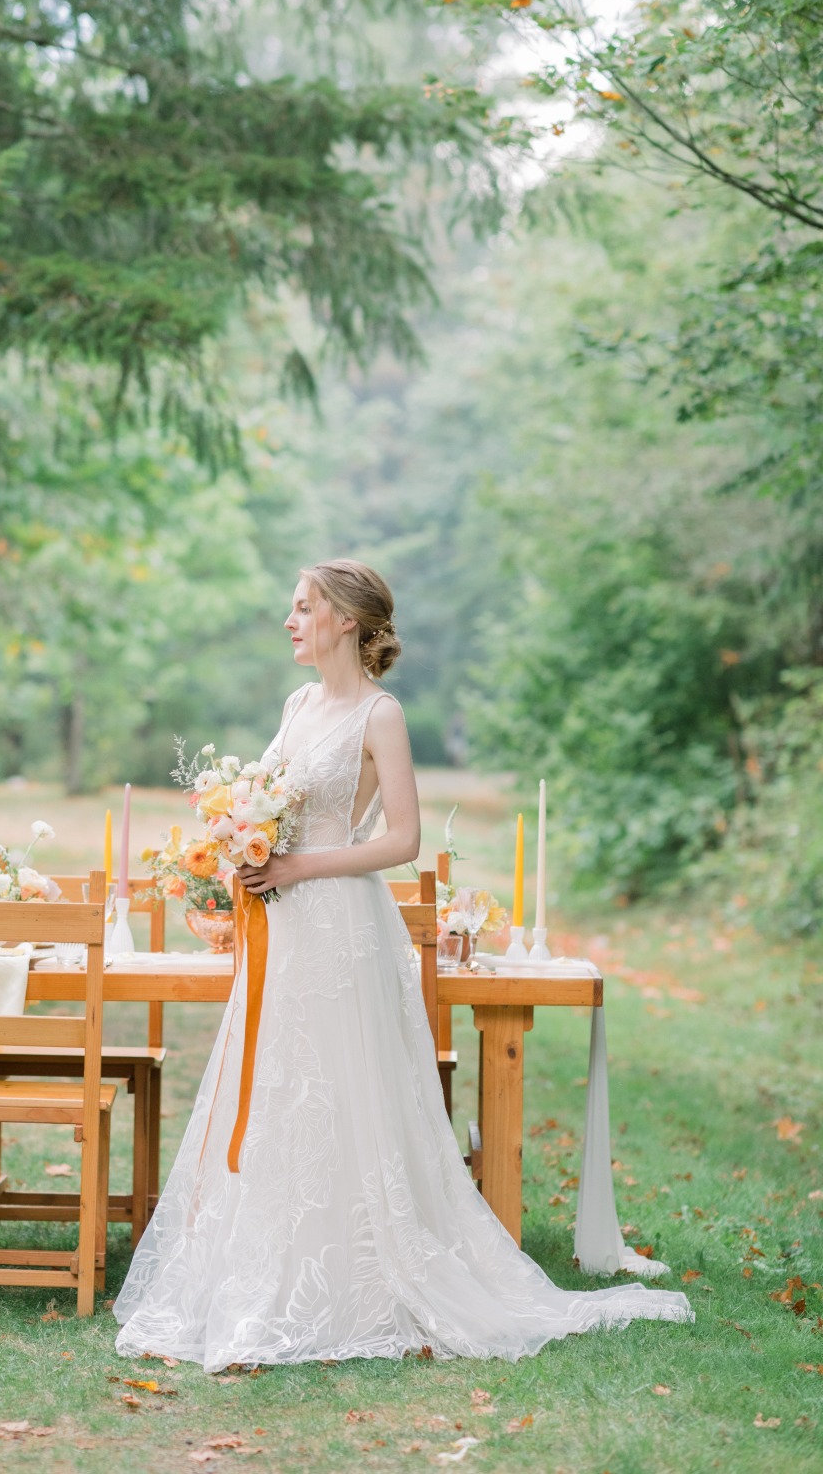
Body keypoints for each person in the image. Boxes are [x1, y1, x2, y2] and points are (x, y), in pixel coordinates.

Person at [114, 558, 693, 1368]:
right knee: (284, 1084)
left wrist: (294, 866)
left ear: (345, 620)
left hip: (341, 920)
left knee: (345, 1088)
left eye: (303, 606)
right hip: (283, 927)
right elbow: (265, 798)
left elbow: (401, 841)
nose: (290, 620)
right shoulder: (296, 703)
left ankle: (364, 1280)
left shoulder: (380, 715)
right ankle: (267, 1279)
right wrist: (236, 836)